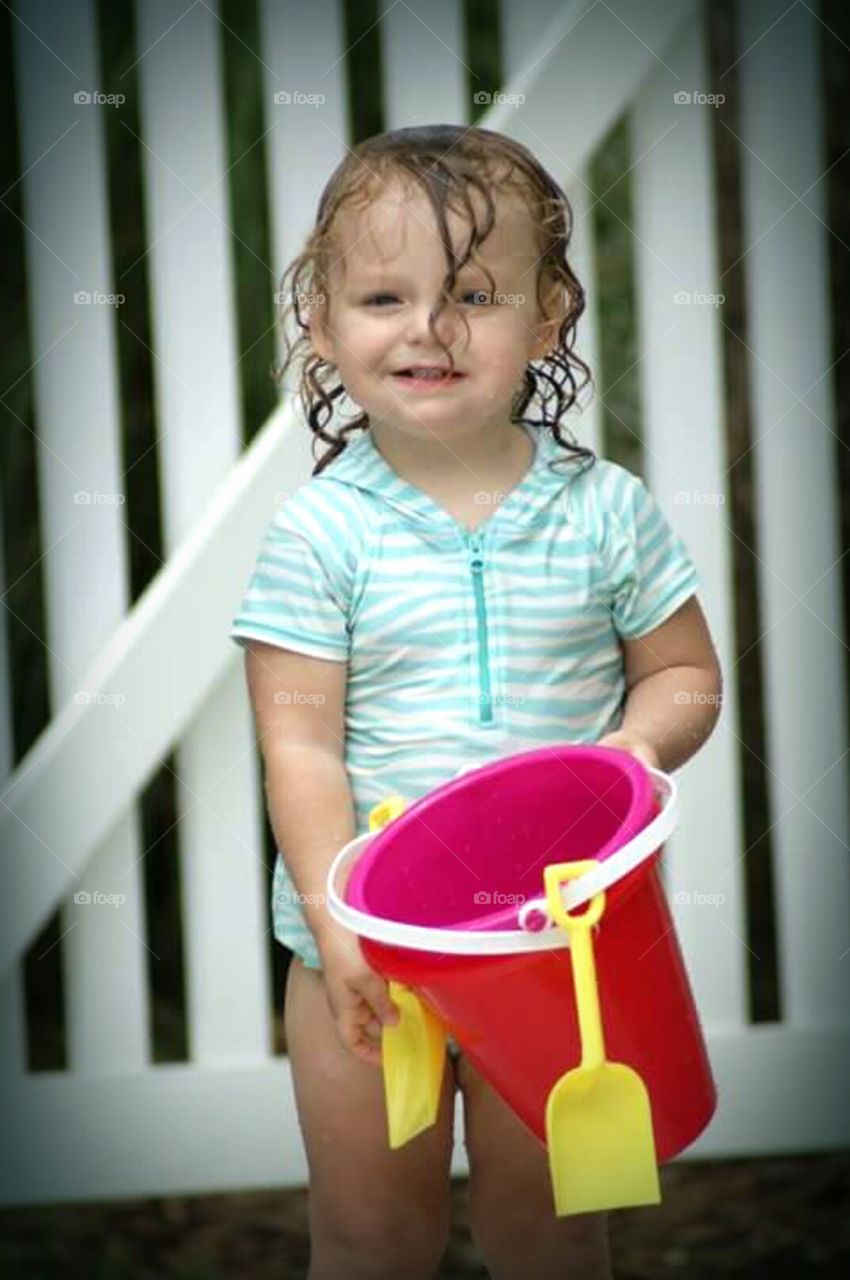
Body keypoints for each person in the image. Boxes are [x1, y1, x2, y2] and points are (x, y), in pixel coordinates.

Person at [230, 123, 722, 1280]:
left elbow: (685, 672)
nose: (427, 328)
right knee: (369, 1234)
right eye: (383, 295)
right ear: (321, 322)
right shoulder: (320, 531)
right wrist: (335, 915)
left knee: (550, 1230)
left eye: (473, 294)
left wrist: (630, 752)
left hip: (562, 946)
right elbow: (296, 744)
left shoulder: (606, 510)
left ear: (547, 316)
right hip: (364, 952)